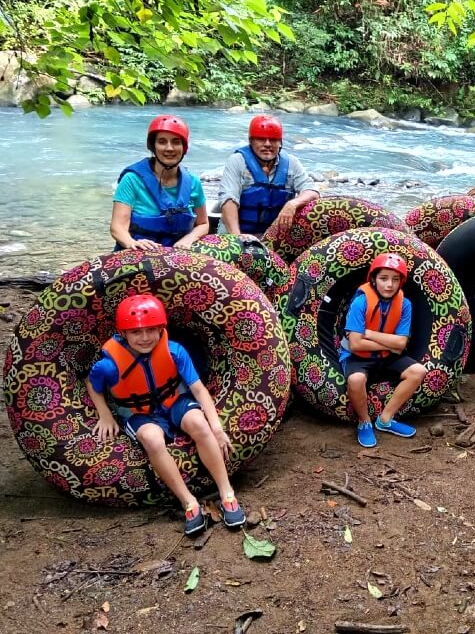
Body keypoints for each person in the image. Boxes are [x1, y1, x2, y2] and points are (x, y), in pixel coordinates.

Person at [85, 294, 245, 535]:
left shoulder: (174, 351)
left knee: (198, 424)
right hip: (137, 411)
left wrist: (217, 428)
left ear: (161, 329)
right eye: (136, 332)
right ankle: (188, 502)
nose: (145, 337)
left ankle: (227, 493)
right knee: (151, 438)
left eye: (151, 330)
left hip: (174, 401)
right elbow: (92, 384)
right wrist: (104, 413)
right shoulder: (108, 365)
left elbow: (199, 390)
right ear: (123, 333)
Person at [338, 253, 427, 448]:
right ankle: (364, 421)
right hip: (357, 356)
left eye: (395, 279)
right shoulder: (361, 302)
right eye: (384, 278)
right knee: (356, 379)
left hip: (386, 357)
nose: (389, 285)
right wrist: (391, 344)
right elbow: (355, 344)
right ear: (373, 279)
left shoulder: (405, 304)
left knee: (418, 371)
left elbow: (402, 343)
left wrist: (369, 333)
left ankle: (385, 419)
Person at [111, 115, 209, 250]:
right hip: (138, 255)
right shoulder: (132, 180)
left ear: (183, 147)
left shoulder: (193, 182)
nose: (169, 148)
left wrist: (188, 239)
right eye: (162, 142)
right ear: (153, 147)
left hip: (177, 254)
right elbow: (117, 227)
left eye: (176, 142)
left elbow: (203, 224)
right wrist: (131, 243)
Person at [219, 115, 321, 236]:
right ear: (251, 141)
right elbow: (228, 200)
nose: (267, 144)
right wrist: (237, 238)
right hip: (238, 232)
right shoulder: (237, 161)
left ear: (280, 143)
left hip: (274, 236)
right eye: (261, 139)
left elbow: (312, 191)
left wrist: (292, 204)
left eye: (273, 140)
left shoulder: (291, 163)